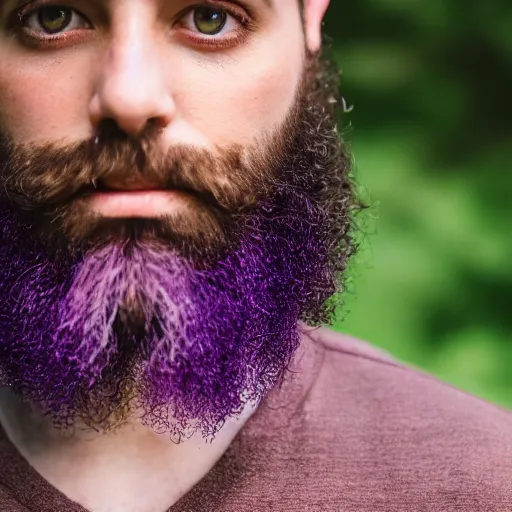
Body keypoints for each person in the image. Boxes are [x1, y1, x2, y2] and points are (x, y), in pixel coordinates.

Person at [0, 0, 510, 510]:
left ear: (310, 17)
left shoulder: (486, 483)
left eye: (210, 18)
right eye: (52, 17)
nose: (129, 98)